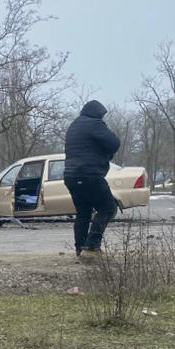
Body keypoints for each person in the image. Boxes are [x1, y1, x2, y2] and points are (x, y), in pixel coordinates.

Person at [63, 100, 121, 256]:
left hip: (70, 176)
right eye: (102, 115)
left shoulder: (74, 126)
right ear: (97, 113)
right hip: (89, 174)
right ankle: (92, 245)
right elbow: (114, 143)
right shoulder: (94, 124)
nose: (102, 118)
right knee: (108, 208)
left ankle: (80, 248)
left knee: (83, 213)